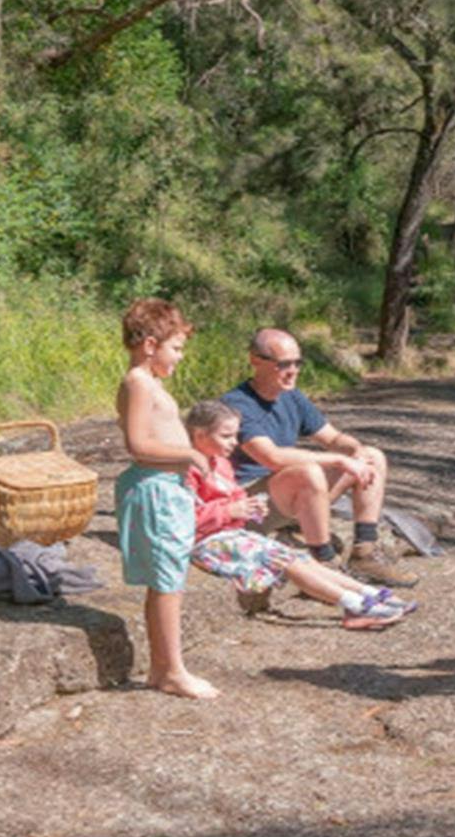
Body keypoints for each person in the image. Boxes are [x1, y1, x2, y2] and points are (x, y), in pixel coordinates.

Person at [184, 400, 415, 631]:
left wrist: (247, 507)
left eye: (235, 435)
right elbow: (182, 518)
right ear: (200, 435)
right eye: (226, 436)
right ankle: (353, 605)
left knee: (299, 557)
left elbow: (233, 496)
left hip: (230, 535)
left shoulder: (221, 463)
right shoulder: (185, 469)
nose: (234, 443)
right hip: (205, 542)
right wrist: (229, 511)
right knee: (284, 561)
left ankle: (370, 595)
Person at [222, 327, 418, 589]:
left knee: (372, 457)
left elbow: (333, 438)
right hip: (251, 505)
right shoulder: (237, 404)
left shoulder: (291, 396)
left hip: (291, 497)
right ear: (256, 361)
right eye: (283, 364)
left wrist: (353, 449)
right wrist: (337, 461)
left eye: (297, 362)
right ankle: (324, 562)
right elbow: (273, 458)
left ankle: (365, 553)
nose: (293, 371)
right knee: (308, 471)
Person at [114, 297, 217, 700]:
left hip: (168, 489)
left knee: (168, 578)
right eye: (176, 348)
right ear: (151, 344)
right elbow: (138, 444)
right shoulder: (138, 382)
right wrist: (189, 454)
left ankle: (162, 667)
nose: (180, 357)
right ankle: (172, 671)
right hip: (153, 488)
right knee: (167, 581)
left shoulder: (151, 383)